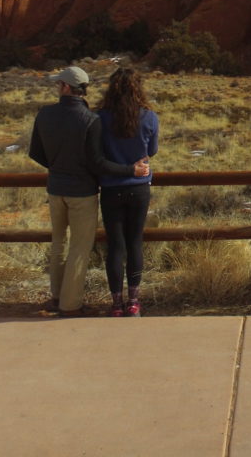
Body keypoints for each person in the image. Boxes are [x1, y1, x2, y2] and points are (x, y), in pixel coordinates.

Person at [29, 66, 146, 317]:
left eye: (58, 83)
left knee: (58, 243)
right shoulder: (90, 119)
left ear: (66, 87)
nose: (56, 87)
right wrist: (129, 170)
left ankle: (57, 297)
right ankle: (70, 305)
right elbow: (97, 163)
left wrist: (58, 166)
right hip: (82, 191)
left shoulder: (45, 114)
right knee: (80, 248)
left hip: (55, 189)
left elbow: (36, 153)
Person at [96, 67, 159, 317]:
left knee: (115, 246)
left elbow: (97, 152)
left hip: (110, 188)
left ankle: (115, 304)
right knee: (134, 243)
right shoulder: (149, 117)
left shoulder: (100, 117)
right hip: (139, 188)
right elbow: (152, 150)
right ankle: (133, 302)